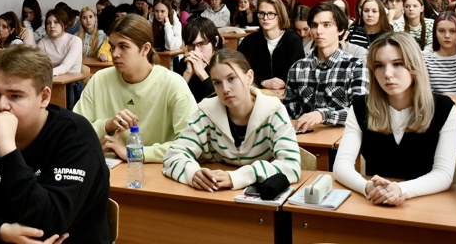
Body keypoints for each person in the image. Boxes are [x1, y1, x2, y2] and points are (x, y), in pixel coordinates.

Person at [0, 46, 109, 244]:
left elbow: (48, 224)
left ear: (44, 97)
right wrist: (1, 230)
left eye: (15, 96)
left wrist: (8, 150)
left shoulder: (75, 137)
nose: (1, 106)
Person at [333, 32, 456, 204]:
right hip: (374, 203)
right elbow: (341, 166)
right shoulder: (361, 106)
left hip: (424, 203)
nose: (387, 74)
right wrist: (367, 187)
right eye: (379, 66)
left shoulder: (443, 108)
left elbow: (443, 174)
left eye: (397, 64)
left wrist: (401, 190)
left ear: (414, 65)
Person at [163, 49, 301, 190]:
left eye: (231, 79)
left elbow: (291, 165)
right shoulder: (206, 112)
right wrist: (192, 173)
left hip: (260, 200)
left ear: (249, 77)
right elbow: (173, 155)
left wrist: (238, 177)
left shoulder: (273, 111)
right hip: (216, 196)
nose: (225, 89)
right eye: (217, 83)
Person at [73, 14, 196, 162]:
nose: (115, 54)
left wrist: (134, 152)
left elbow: (191, 143)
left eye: (123, 46)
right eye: (112, 47)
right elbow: (74, 133)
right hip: (107, 171)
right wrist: (106, 125)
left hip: (156, 173)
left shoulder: (173, 84)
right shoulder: (99, 79)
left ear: (145, 49)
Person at [285, 2, 369, 131]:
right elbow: (288, 113)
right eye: (314, 25)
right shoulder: (297, 68)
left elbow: (361, 113)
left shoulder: (356, 67)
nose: (319, 31)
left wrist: (323, 114)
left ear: (340, 29)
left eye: (326, 25)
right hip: (302, 141)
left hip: (338, 144)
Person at [237, 0, 303, 90]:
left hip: (287, 94)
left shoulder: (293, 40)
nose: (265, 18)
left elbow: (299, 74)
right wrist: (262, 82)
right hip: (256, 93)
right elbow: (238, 71)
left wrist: (281, 83)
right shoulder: (249, 42)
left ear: (280, 15)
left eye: (271, 14)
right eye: (262, 13)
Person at [172, 17, 222, 102]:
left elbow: (222, 101)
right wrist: (187, 74)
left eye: (202, 44)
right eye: (191, 45)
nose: (196, 51)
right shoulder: (183, 63)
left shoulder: (225, 63)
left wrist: (201, 73)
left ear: (216, 41)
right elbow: (173, 100)